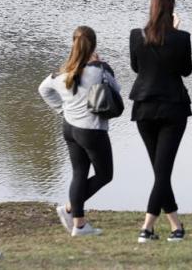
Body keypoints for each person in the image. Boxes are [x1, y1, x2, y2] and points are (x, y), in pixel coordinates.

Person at [38, 26, 118, 237]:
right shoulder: (100, 69)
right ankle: (70, 210)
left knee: (79, 173)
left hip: (69, 128)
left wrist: (61, 109)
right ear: (93, 45)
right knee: (105, 175)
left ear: (73, 44)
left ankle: (79, 225)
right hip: (91, 130)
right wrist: (99, 63)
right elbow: (116, 90)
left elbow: (43, 89)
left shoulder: (62, 71)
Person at [129, 0, 192, 243]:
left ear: (152, 6)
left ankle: (176, 226)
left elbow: (136, 68)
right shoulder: (181, 37)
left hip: (144, 107)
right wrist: (174, 33)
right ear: (172, 6)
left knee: (160, 171)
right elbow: (186, 70)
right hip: (172, 108)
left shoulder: (137, 35)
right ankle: (147, 228)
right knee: (163, 172)